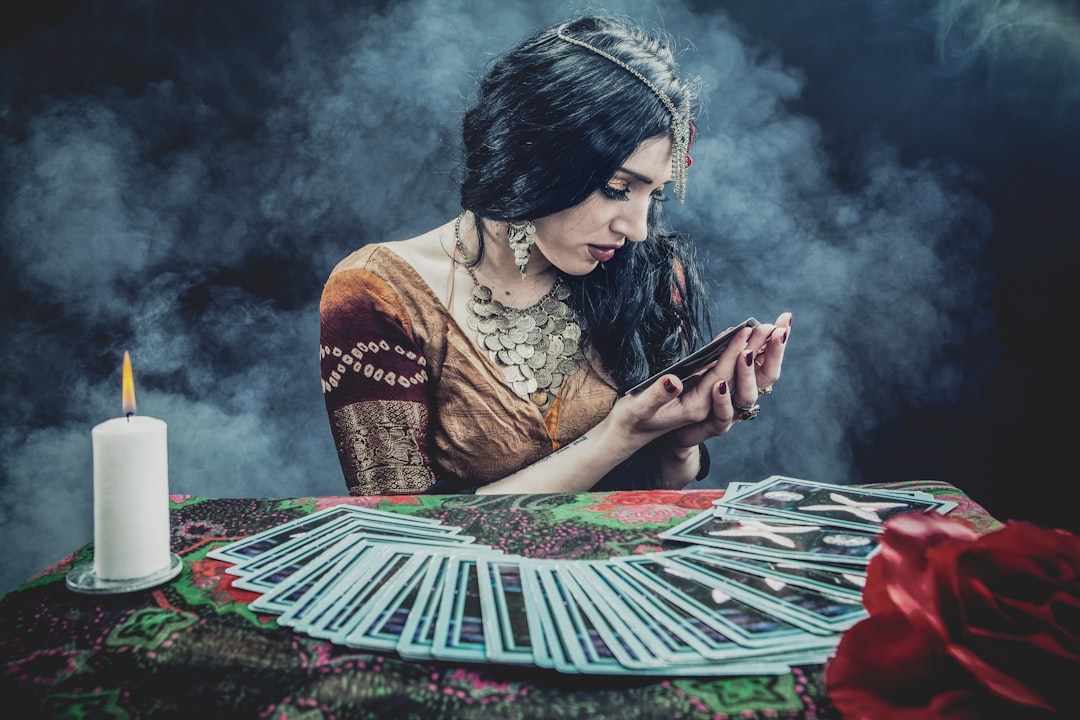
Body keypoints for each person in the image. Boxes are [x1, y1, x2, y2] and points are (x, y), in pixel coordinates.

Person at [319, 13, 791, 496]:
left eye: (656, 194)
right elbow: (404, 530)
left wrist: (681, 441)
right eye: (615, 188)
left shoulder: (649, 276)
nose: (637, 229)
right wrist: (617, 435)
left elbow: (657, 496)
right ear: (532, 163)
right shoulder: (378, 294)